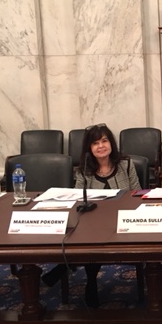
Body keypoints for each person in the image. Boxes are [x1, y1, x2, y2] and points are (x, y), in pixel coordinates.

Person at [42, 123, 141, 308]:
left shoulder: (126, 165)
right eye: (95, 143)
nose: (101, 146)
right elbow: (78, 199)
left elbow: (137, 194)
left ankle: (72, 269)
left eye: (104, 141)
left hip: (123, 220)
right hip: (94, 222)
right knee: (91, 235)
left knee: (93, 238)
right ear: (89, 148)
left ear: (111, 143)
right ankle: (89, 279)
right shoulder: (84, 169)